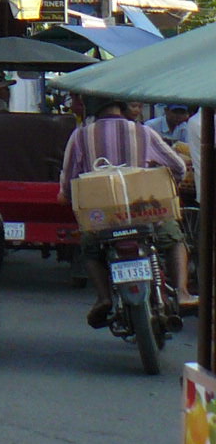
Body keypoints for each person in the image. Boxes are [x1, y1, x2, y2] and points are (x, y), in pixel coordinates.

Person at [59, 94, 192, 326]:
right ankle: (182, 292)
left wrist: (69, 197)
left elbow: (69, 181)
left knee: (90, 249)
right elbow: (178, 167)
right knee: (174, 239)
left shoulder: (80, 135)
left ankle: (103, 298)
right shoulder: (143, 132)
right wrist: (171, 183)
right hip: (146, 214)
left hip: (103, 221)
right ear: (121, 107)